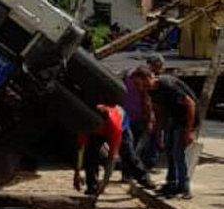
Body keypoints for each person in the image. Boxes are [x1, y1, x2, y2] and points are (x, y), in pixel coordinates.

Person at [131, 67, 198, 199]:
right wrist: (158, 132)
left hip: (185, 120)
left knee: (178, 153)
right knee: (169, 151)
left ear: (149, 77)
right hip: (173, 119)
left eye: (140, 83)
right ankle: (172, 184)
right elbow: (161, 112)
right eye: (137, 85)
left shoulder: (168, 85)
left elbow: (190, 104)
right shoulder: (151, 91)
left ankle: (184, 187)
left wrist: (189, 131)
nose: (139, 87)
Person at [73, 104, 155, 197]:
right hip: (97, 131)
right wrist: (77, 171)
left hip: (121, 126)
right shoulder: (85, 124)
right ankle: (92, 187)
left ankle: (143, 178)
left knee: (128, 154)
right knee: (90, 155)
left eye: (99, 126)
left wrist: (105, 182)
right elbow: (81, 149)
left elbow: (112, 157)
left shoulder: (115, 126)